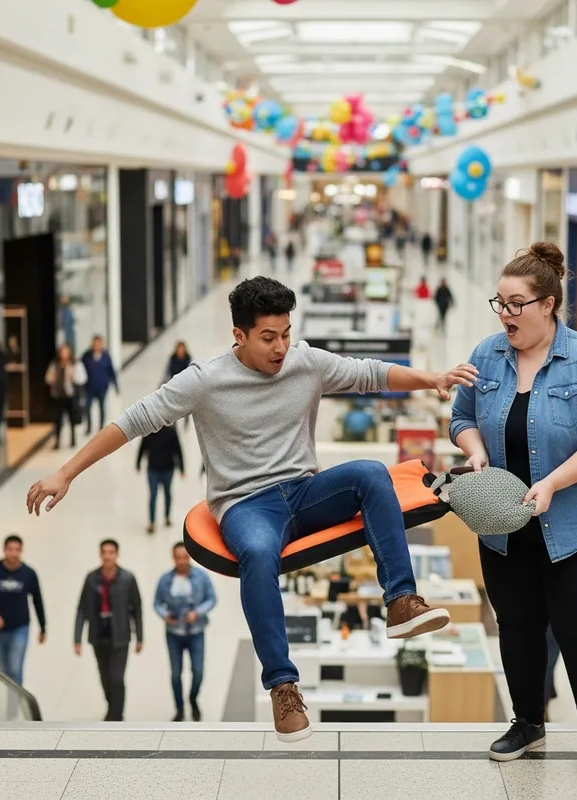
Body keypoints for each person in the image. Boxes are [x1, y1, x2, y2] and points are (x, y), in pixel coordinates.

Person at [27, 275, 476, 743]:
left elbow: (370, 373)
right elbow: (131, 421)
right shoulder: (204, 381)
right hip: (245, 505)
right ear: (239, 335)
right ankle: (283, 686)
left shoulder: (305, 362)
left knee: (370, 472)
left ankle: (401, 601)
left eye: (285, 333)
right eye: (268, 337)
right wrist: (66, 472)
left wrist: (432, 379)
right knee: (260, 555)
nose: (281, 347)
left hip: (305, 492)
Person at [450, 242, 577, 783]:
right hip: (507, 524)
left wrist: (551, 483)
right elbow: (461, 416)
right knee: (517, 627)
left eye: (515, 304)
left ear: (548, 304)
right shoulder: (487, 356)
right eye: (498, 303)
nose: (504, 314)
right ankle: (527, 722)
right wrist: (475, 451)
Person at [74, 539, 143, 722]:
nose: (107, 556)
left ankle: (115, 716)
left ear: (116, 554)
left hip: (120, 635)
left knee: (117, 678)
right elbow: (82, 608)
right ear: (100, 554)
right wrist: (77, 638)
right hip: (99, 634)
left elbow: (137, 608)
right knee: (105, 677)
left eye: (111, 552)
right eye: (104, 552)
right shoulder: (91, 578)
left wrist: (140, 637)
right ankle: (112, 708)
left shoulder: (127, 578)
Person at [0, 535, 46, 710]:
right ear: (4, 550)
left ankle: (15, 707)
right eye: (10, 549)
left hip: (20, 628)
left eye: (17, 550)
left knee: (15, 668)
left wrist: (43, 626)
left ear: (21, 551)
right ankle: (7, 700)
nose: (13, 553)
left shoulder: (28, 574)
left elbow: (37, 600)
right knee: (3, 669)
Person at [154, 542, 216, 722]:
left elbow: (212, 598)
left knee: (198, 671)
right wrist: (165, 615)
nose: (181, 561)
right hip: (174, 633)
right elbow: (157, 602)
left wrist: (198, 612)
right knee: (175, 673)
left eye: (184, 557)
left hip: (196, 631)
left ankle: (193, 698)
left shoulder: (201, 576)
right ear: (173, 558)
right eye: (177, 557)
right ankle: (179, 707)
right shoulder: (165, 580)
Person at [137, 424, 184, 533]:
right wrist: (138, 462)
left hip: (167, 468)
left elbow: (177, 449)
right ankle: (151, 522)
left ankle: (167, 516)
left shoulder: (171, 432)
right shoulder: (149, 431)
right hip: (153, 469)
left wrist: (182, 467)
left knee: (167, 493)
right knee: (153, 495)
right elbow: (143, 447)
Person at [46, 344, 87, 450]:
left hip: (71, 395)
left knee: (72, 418)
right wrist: (52, 378)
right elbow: (48, 378)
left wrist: (72, 376)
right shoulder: (55, 364)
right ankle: (57, 440)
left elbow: (82, 378)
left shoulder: (75, 364)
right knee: (58, 420)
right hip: (58, 395)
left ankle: (73, 439)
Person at [81, 336, 119, 435]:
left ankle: (101, 427)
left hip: (102, 387)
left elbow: (111, 371)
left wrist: (116, 386)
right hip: (89, 387)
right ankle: (88, 426)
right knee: (87, 407)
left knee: (102, 408)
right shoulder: (86, 356)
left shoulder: (106, 356)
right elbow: (80, 371)